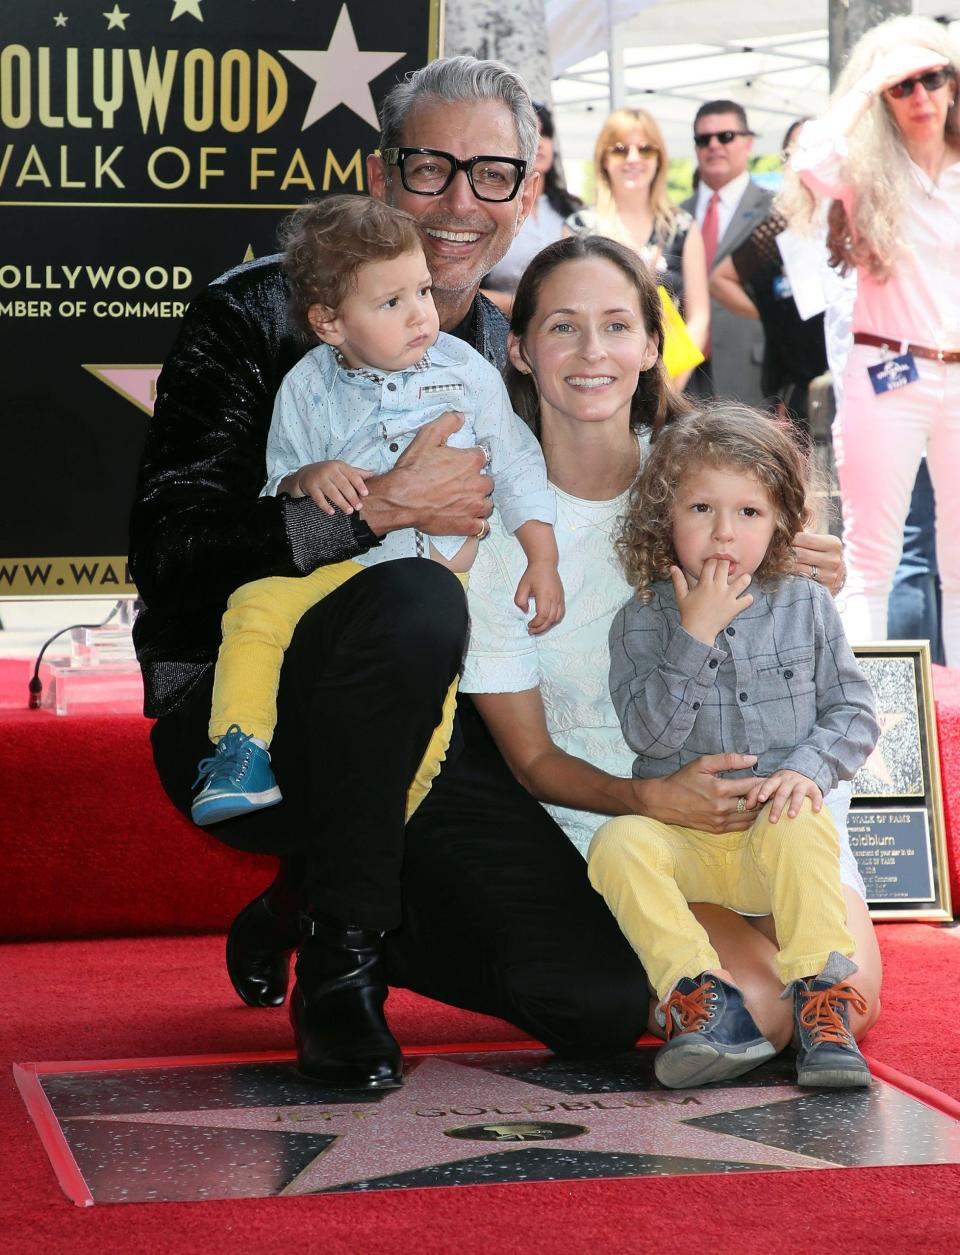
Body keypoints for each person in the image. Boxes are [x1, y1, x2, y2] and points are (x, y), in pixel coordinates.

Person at [459, 233, 881, 1077]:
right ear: (518, 347)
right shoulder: (498, 539)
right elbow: (533, 758)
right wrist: (650, 795)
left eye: (618, 325)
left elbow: (818, 659)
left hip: (773, 800)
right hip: (632, 819)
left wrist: (803, 563)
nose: (593, 352)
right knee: (762, 1007)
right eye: (563, 327)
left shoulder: (710, 480)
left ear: (652, 344)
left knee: (849, 995)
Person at [190, 196, 560, 827]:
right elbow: (278, 482)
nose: (421, 314)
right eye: (392, 303)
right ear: (331, 323)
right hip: (350, 572)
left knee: (429, 714)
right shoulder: (307, 386)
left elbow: (520, 463)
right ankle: (241, 747)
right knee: (254, 608)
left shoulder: (465, 367)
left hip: (448, 585)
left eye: (422, 290)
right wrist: (309, 477)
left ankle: (392, 824)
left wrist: (542, 557)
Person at [588, 405, 878, 1091]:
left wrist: (806, 768)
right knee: (617, 844)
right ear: (664, 517)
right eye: (701, 508)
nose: (725, 532)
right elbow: (647, 736)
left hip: (770, 847)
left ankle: (821, 1003)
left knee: (801, 814)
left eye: (749, 511)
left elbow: (856, 708)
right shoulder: (641, 619)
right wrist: (694, 636)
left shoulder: (805, 603)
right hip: (688, 848)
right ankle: (699, 994)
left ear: (780, 519)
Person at [784, 16, 960, 663]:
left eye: (932, 78)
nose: (920, 96)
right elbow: (808, 159)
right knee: (870, 559)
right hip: (888, 369)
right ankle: (871, 732)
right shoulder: (861, 172)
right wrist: (867, 84)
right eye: (902, 85)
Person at [566, 107, 709, 388]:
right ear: (604, 158)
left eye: (645, 149)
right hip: (599, 378)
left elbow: (700, 316)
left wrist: (671, 384)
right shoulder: (579, 228)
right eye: (620, 149)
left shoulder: (683, 227)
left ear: (659, 159)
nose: (633, 158)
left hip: (674, 383)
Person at [709, 120, 828, 428]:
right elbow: (720, 280)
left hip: (854, 373)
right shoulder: (781, 228)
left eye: (816, 147)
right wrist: (770, 316)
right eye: (797, 152)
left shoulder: (857, 216)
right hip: (799, 385)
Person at [683, 100, 772, 406]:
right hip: (686, 381)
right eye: (703, 139)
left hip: (757, 379)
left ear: (749, 142)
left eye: (726, 136)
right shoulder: (676, 217)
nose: (714, 146)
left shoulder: (778, 213)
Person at [482, 100, 582, 314]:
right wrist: (521, 305)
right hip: (500, 324)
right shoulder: (489, 205)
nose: (539, 143)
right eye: (530, 134)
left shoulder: (571, 209)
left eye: (545, 134)